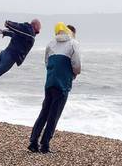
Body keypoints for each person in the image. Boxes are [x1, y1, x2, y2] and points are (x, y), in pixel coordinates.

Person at [28, 22, 81, 153]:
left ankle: (33, 141)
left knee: (44, 112)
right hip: (63, 83)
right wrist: (74, 73)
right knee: (54, 115)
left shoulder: (50, 44)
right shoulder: (73, 43)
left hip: (50, 81)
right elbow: (77, 64)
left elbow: (46, 62)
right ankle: (45, 145)